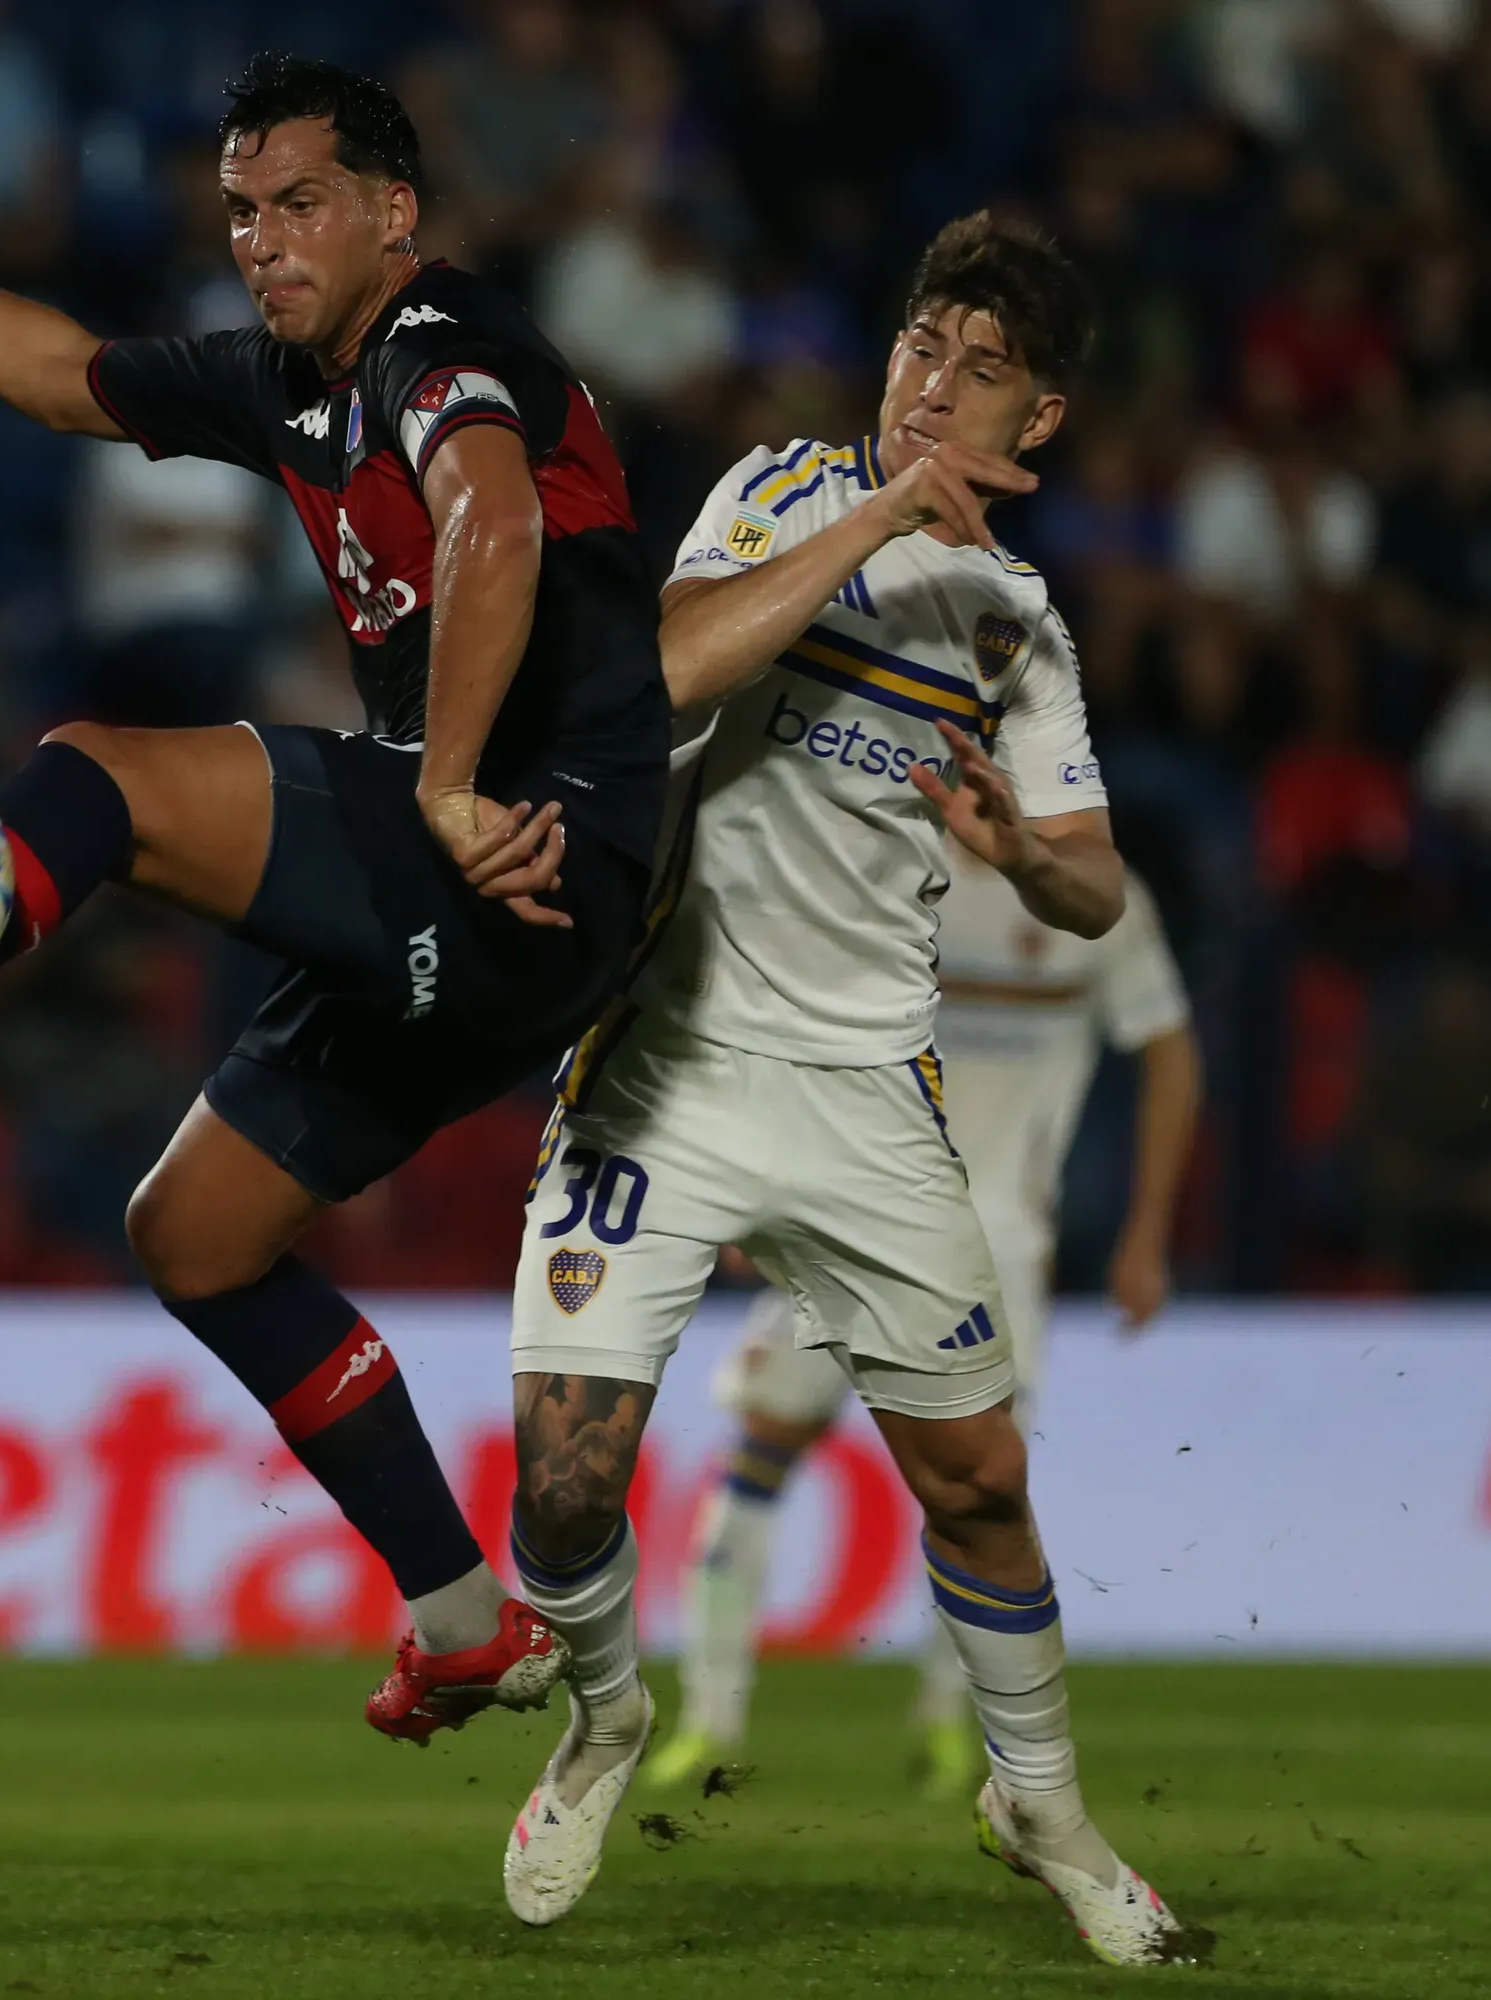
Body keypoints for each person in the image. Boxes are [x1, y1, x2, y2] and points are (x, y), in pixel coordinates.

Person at [0, 58, 669, 1743]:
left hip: (533, 845)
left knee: (102, 775)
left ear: (396, 212)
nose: (262, 240)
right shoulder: (294, 385)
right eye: (241, 210)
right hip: (503, 916)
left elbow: (497, 523)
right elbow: (54, 374)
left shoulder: (441, 347)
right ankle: (465, 1619)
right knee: (201, 1234)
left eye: (300, 203)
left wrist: (452, 782)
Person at [489, 214, 1208, 1965]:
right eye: (918, 343)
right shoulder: (778, 488)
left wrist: (1022, 860)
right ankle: (604, 1718)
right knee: (568, 1483)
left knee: (979, 1485)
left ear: (1037, 424)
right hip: (667, 1066)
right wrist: (883, 511)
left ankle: (1036, 1797)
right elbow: (661, 670)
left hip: (867, 1096)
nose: (927, 383)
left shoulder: (1019, 623)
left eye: (977, 368)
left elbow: (1101, 887)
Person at [644, 837, 1200, 1799]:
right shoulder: (884, 859)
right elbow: (777, 1018)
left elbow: (1171, 1051)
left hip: (998, 1251)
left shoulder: (1097, 894)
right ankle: (711, 1720)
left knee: (979, 1498)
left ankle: (948, 1725)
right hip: (851, 1215)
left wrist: (1147, 1232)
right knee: (761, 1449)